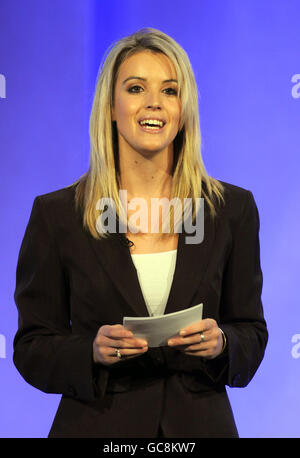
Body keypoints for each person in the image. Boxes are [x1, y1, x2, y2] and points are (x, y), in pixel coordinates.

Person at [13, 28, 268, 438]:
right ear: (111, 106)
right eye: (136, 88)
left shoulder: (230, 211)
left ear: (183, 109)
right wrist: (91, 351)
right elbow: (31, 347)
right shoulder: (57, 215)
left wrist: (222, 342)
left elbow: (251, 334)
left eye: (170, 90)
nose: (154, 103)